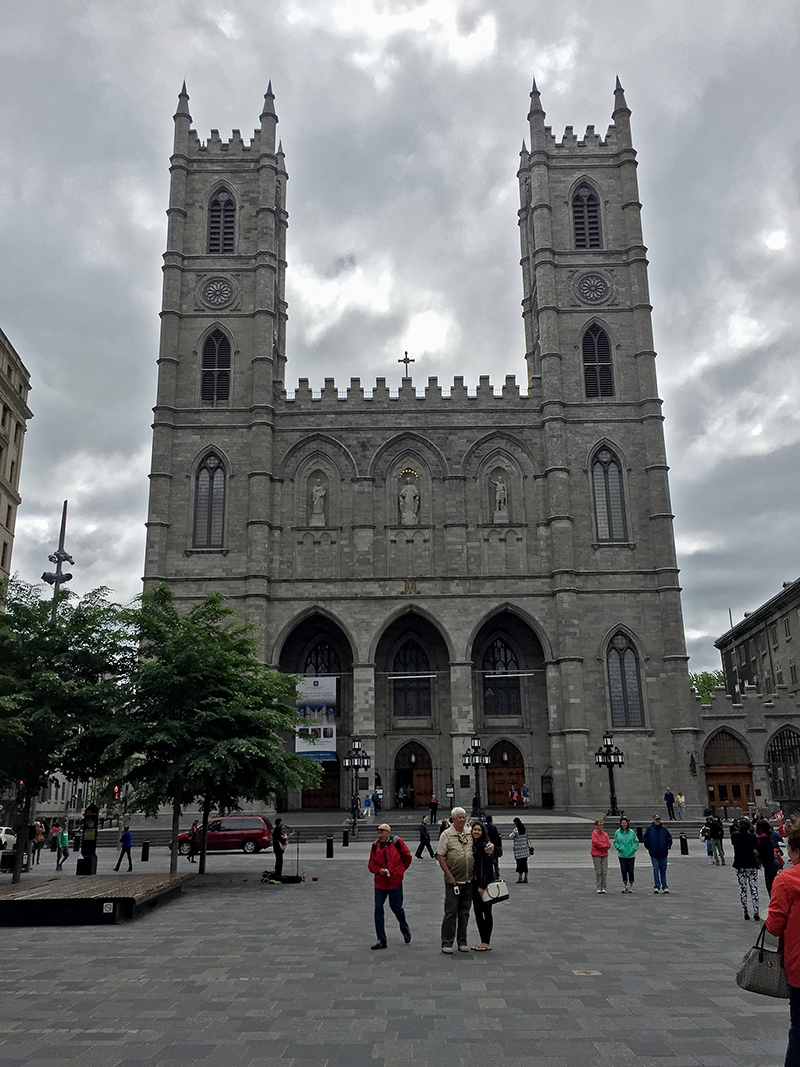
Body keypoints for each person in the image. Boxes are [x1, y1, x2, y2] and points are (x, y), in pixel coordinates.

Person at [765, 817, 800, 1066]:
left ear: (795, 849)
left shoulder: (786, 880)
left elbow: (775, 926)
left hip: (798, 967)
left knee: (799, 1029)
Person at [367, 823, 412, 950]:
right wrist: (379, 870)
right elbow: (371, 865)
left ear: (388, 832)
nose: (379, 835)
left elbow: (408, 857)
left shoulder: (397, 842)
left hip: (394, 882)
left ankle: (404, 928)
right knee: (378, 909)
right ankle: (381, 939)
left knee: (396, 908)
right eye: (378, 832)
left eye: (382, 832)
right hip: (380, 883)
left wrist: (400, 871)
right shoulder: (375, 846)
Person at [437, 807, 474, 953]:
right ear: (453, 819)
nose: (462, 820)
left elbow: (481, 844)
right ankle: (447, 942)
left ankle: (462, 941)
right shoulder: (446, 834)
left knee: (464, 913)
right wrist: (449, 875)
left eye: (464, 817)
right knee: (451, 913)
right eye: (459, 817)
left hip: (468, 880)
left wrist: (490, 846)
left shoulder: (469, 833)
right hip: (453, 881)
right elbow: (440, 856)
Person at [470, 822, 495, 951]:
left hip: (482, 885)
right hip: (474, 884)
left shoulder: (485, 846)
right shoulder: (471, 845)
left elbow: (488, 868)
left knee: (486, 912)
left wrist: (482, 885)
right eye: (474, 829)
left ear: (482, 832)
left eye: (479, 830)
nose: (476, 832)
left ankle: (486, 942)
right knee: (478, 913)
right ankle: (483, 941)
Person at [730, 816, 760, 920]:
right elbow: (755, 847)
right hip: (751, 863)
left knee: (743, 888)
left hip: (740, 863)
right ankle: (756, 911)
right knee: (753, 887)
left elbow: (733, 843)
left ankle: (745, 910)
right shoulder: (752, 837)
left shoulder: (735, 836)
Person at [643, 814, 672, 893]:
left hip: (663, 853)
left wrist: (667, 846)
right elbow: (646, 839)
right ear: (653, 820)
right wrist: (649, 847)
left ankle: (665, 886)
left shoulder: (664, 829)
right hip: (654, 853)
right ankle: (656, 886)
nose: (657, 821)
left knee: (663, 870)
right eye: (656, 819)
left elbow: (669, 838)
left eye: (658, 819)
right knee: (656, 869)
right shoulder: (649, 829)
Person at [613, 816, 639, 892]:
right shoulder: (617, 832)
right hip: (622, 854)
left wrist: (633, 849)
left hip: (631, 855)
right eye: (622, 823)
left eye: (625, 823)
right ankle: (625, 885)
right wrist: (618, 848)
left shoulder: (631, 832)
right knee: (623, 870)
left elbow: (636, 841)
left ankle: (631, 885)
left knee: (630, 870)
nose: (624, 824)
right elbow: (615, 841)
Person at [756, 818, 780, 897]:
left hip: (770, 863)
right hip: (769, 864)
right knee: (770, 885)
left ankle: (775, 900)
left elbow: (765, 853)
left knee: (771, 886)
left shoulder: (764, 839)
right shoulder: (762, 837)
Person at [590, 818, 611, 893]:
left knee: (604, 871)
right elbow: (596, 843)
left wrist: (604, 846)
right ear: (596, 826)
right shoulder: (594, 833)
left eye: (602, 825)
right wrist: (604, 846)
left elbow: (608, 844)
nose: (601, 826)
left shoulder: (605, 834)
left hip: (604, 854)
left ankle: (604, 887)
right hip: (596, 854)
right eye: (599, 825)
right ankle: (599, 887)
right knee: (598, 871)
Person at [509, 817, 530, 884]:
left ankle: (520, 878)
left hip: (518, 851)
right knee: (525, 864)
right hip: (525, 849)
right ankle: (526, 877)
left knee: (519, 865)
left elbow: (510, 837)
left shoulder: (516, 830)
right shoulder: (524, 829)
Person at [484, 814, 503, 879]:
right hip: (494, 845)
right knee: (495, 861)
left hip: (486, 845)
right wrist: (499, 846)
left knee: (487, 860)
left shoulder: (484, 827)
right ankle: (496, 873)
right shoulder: (494, 827)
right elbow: (497, 837)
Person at [272, 818, 288, 882]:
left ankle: (279, 873)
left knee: (279, 861)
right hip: (277, 848)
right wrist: (285, 838)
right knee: (279, 861)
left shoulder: (278, 830)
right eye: (281, 822)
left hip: (279, 848)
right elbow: (281, 839)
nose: (282, 823)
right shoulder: (276, 831)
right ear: (278, 823)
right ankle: (278, 874)